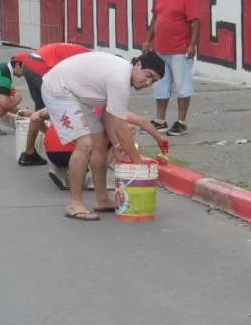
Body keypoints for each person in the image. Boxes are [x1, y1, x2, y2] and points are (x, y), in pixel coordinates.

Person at [41, 49, 169, 221]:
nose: (148, 82)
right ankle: (75, 204)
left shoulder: (122, 76)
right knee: (85, 143)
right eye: (148, 75)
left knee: (100, 140)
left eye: (154, 81)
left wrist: (117, 146)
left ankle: (101, 199)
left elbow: (109, 117)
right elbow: (121, 127)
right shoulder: (119, 78)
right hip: (58, 90)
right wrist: (137, 163)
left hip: (77, 95)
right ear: (138, 65)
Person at [144, 0, 199, 136]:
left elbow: (196, 22)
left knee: (183, 85)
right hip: (161, 49)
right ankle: (160, 121)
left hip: (180, 50)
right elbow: (155, 19)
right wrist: (148, 39)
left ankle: (181, 122)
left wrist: (192, 45)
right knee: (160, 85)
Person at [18, 42, 91, 166]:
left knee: (40, 110)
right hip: (42, 66)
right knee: (59, 108)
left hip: (30, 64)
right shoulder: (92, 61)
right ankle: (61, 149)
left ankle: (29, 153)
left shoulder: (88, 55)